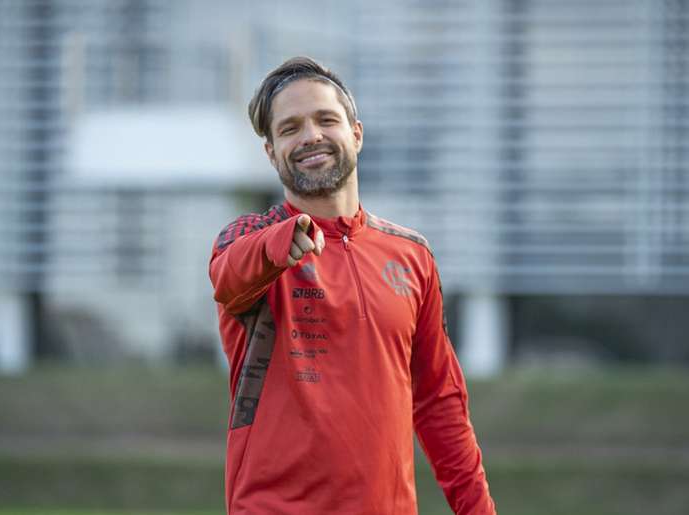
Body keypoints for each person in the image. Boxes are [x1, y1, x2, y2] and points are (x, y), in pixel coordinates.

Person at [209, 56, 496, 515]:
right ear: (270, 153)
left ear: (356, 134)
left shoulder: (412, 255)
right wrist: (281, 242)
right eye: (290, 128)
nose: (311, 136)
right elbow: (228, 279)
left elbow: (440, 403)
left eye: (326, 119)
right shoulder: (246, 239)